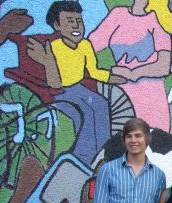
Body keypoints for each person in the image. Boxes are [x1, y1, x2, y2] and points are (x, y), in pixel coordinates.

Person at [26, 0, 126, 166]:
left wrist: (114, 78)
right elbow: (55, 84)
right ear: (57, 25)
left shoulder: (85, 45)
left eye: (79, 21)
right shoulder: (53, 47)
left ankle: (103, 154)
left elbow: (94, 72)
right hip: (60, 92)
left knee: (101, 104)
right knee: (85, 112)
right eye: (70, 22)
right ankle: (82, 159)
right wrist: (45, 60)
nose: (76, 27)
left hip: (79, 89)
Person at [89, 0, 172, 131]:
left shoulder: (158, 20)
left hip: (151, 95)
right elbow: (90, 46)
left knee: (153, 141)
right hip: (121, 92)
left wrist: (133, 73)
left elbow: (163, 66)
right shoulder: (118, 14)